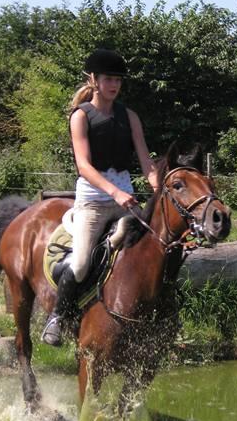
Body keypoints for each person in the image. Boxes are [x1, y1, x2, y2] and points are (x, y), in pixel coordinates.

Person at [41, 48, 159, 346]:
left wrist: (160, 190)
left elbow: (146, 161)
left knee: (153, 250)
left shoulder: (129, 117)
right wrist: (115, 192)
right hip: (94, 201)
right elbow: (84, 165)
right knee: (80, 263)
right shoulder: (81, 117)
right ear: (93, 80)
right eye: (108, 79)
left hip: (126, 200)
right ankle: (58, 316)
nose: (114, 85)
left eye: (118, 80)